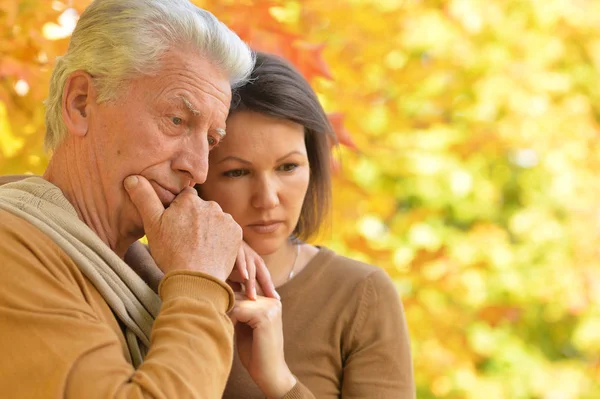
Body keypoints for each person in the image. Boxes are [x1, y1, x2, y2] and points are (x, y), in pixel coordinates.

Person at [0, 0, 274, 397]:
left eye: (211, 141)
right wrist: (198, 285)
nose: (197, 170)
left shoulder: (148, 277)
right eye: (177, 120)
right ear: (79, 103)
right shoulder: (12, 249)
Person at [196, 52, 416, 398]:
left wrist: (280, 382)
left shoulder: (360, 294)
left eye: (288, 167)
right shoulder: (146, 278)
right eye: (236, 172)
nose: (267, 199)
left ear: (312, 166)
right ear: (198, 176)